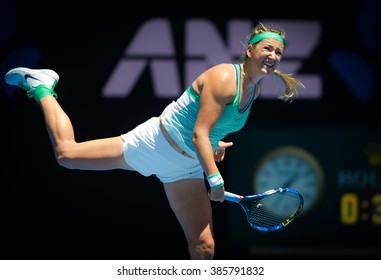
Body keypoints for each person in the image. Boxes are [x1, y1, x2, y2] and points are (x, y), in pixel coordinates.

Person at [4, 21, 304, 260]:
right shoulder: (225, 78)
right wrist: (214, 179)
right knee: (67, 155)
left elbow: (208, 132)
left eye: (279, 52)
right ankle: (41, 86)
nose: (274, 57)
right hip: (155, 144)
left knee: (204, 249)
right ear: (249, 51)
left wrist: (216, 144)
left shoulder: (255, 90)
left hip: (184, 168)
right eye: (268, 48)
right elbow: (198, 132)